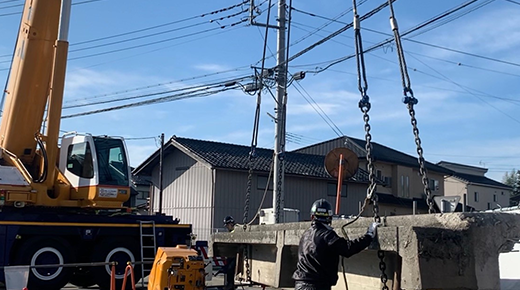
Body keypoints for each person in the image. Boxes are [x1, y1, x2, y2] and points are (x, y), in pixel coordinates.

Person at [292, 199, 380, 290]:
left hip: (299, 285)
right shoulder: (327, 235)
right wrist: (369, 235)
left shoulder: (305, 235)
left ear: (312, 216)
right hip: (318, 286)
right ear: (330, 217)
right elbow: (348, 248)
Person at [220, 215, 237, 290]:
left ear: (231, 223)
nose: (227, 227)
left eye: (227, 225)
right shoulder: (231, 232)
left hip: (235, 254)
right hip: (231, 254)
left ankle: (230, 285)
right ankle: (229, 284)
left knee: (230, 269)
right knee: (228, 268)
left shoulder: (236, 231)